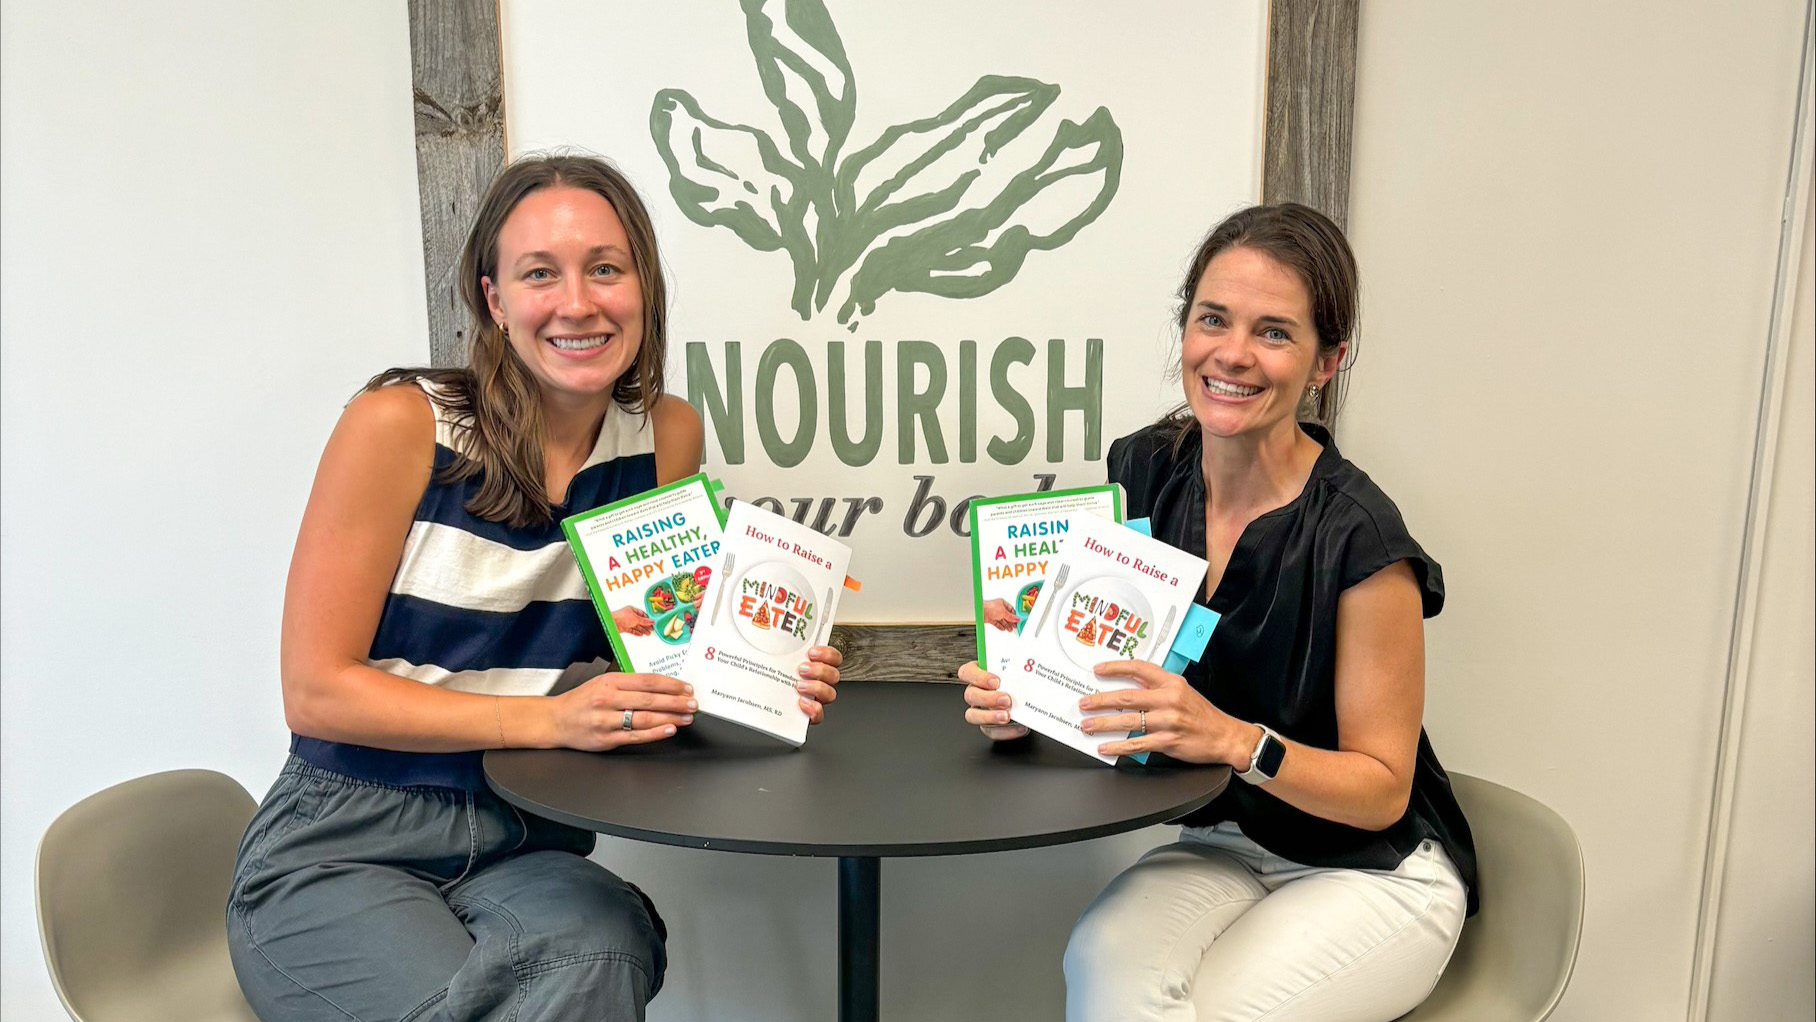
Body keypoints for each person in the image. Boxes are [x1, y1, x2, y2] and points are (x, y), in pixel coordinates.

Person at [227, 153, 846, 1022]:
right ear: (495, 300)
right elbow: (316, 691)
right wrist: (550, 720)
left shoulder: (664, 437)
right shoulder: (400, 422)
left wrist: (760, 673)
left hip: (525, 837)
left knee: (603, 948)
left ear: (643, 287)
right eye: (540, 274)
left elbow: (659, 659)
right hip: (345, 840)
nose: (578, 302)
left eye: (605, 268)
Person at [959, 203, 1477, 1022]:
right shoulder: (1143, 471)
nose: (1232, 354)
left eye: (1274, 332)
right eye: (1213, 320)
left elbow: (1382, 792)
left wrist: (1233, 740)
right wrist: (1030, 698)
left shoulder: (1363, 540)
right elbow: (1119, 673)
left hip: (1371, 868)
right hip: (1221, 844)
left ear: (1325, 362)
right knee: (1101, 967)